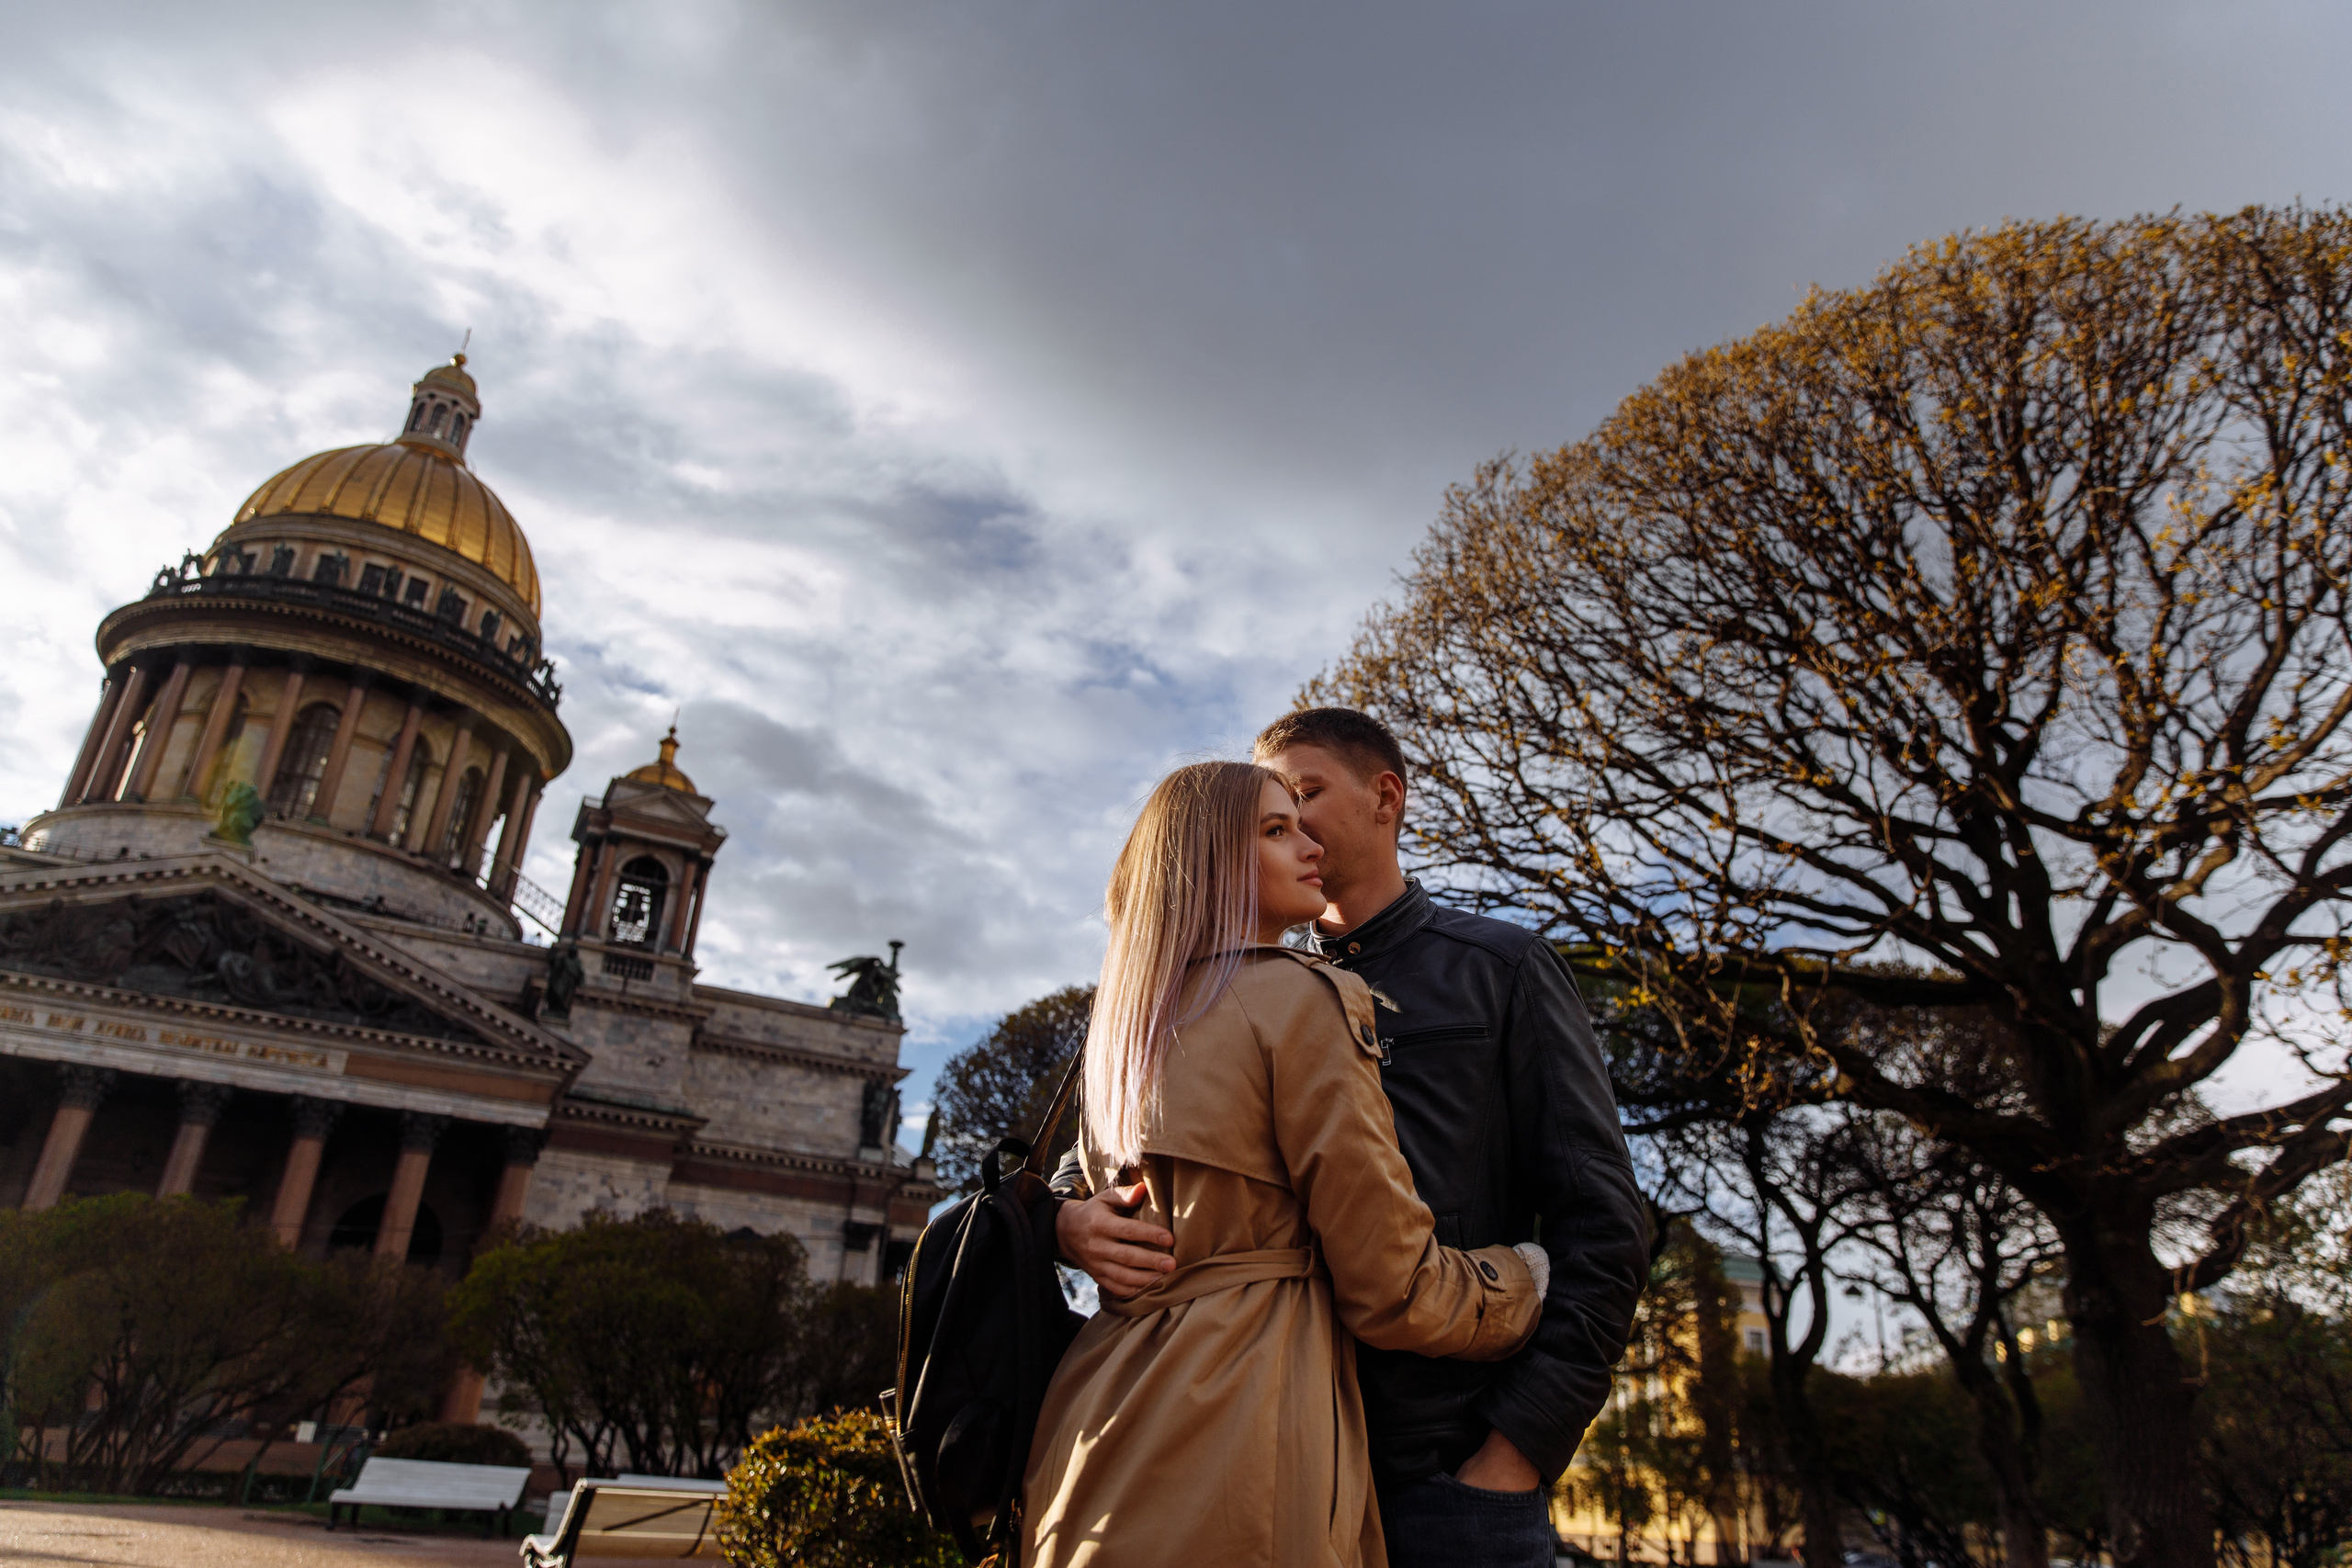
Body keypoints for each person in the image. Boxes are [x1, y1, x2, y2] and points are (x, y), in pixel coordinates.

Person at [1057, 709, 1649, 1568]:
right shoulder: (1220, 987)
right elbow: (1110, 1163)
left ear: (1386, 796)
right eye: (1271, 817)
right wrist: (1069, 1223)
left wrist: (1515, 1452)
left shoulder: (1502, 968)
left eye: (1304, 797)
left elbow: (1603, 1222)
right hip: (1250, 1453)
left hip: (1440, 1474)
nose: (1295, 828)